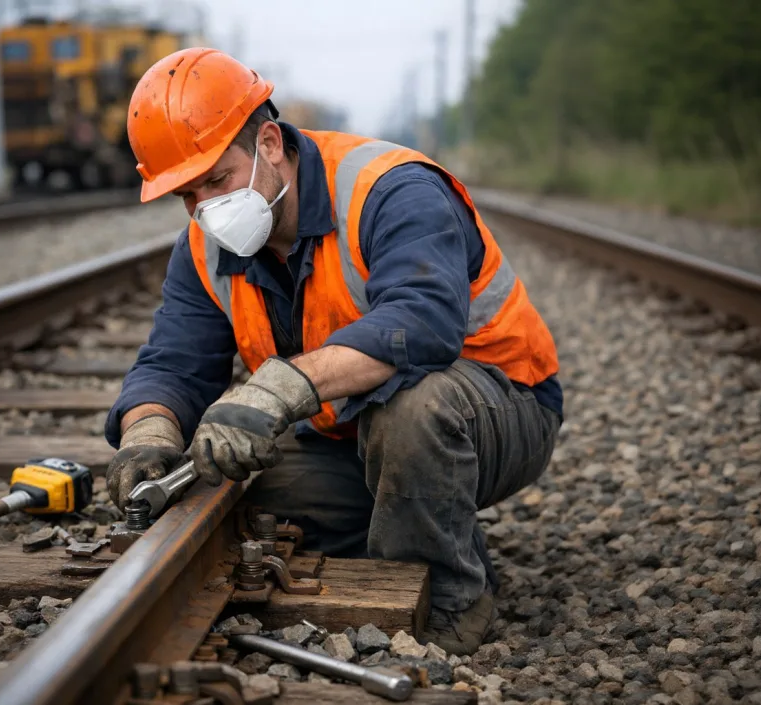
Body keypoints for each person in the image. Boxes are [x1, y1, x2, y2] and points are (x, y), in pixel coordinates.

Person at [103, 47, 563, 655]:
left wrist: (277, 388)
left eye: (216, 180)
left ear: (269, 144)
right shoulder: (205, 245)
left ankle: (451, 598)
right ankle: (402, 524)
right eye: (186, 195)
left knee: (412, 412)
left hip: (499, 407)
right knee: (229, 485)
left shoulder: (390, 190)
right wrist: (149, 435)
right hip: (349, 432)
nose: (205, 209)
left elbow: (421, 322)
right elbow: (173, 362)